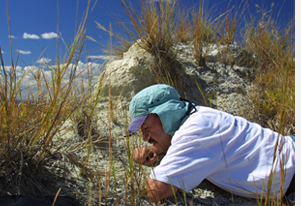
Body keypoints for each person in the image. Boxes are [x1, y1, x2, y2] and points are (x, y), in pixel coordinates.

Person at [126, 84, 295, 203]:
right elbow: (172, 141)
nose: (145, 138)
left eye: (146, 128)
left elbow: (156, 190)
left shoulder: (194, 134)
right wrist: (153, 149)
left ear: (167, 114)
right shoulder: (200, 114)